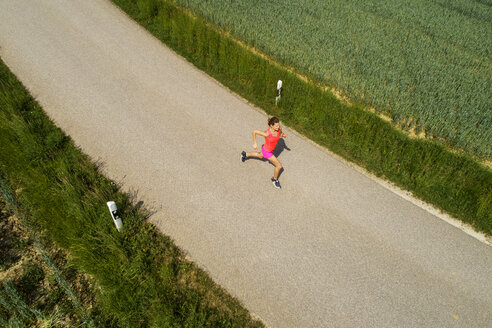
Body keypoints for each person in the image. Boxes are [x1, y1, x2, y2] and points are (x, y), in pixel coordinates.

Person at [241, 117, 288, 188]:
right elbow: (254, 132)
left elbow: (280, 134)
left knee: (260, 156)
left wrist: (283, 135)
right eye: (276, 126)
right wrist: (255, 143)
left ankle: (245, 154)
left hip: (267, 149)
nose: (278, 127)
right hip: (267, 152)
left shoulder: (278, 130)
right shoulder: (267, 133)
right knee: (279, 166)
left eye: (278, 125)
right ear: (271, 126)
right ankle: (274, 180)